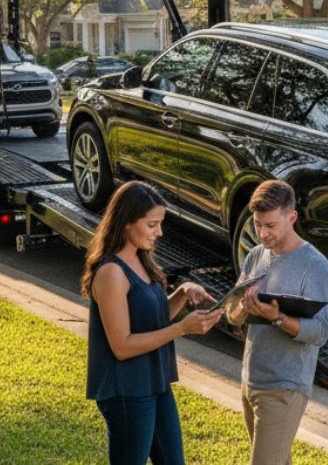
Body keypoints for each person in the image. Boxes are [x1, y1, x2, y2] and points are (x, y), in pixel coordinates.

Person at [83, 181, 223, 465]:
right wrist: (182, 329)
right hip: (127, 391)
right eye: (152, 225)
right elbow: (122, 346)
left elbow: (151, 319)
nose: (159, 232)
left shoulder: (140, 260)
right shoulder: (111, 272)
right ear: (126, 223)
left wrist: (183, 292)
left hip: (155, 384)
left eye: (160, 224)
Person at [227, 180, 328, 465]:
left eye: (271, 226)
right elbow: (232, 315)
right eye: (258, 224)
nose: (263, 233)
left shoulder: (315, 266)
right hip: (251, 379)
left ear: (291, 217)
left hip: (285, 386)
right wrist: (242, 308)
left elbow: (321, 332)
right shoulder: (255, 255)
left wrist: (276, 318)